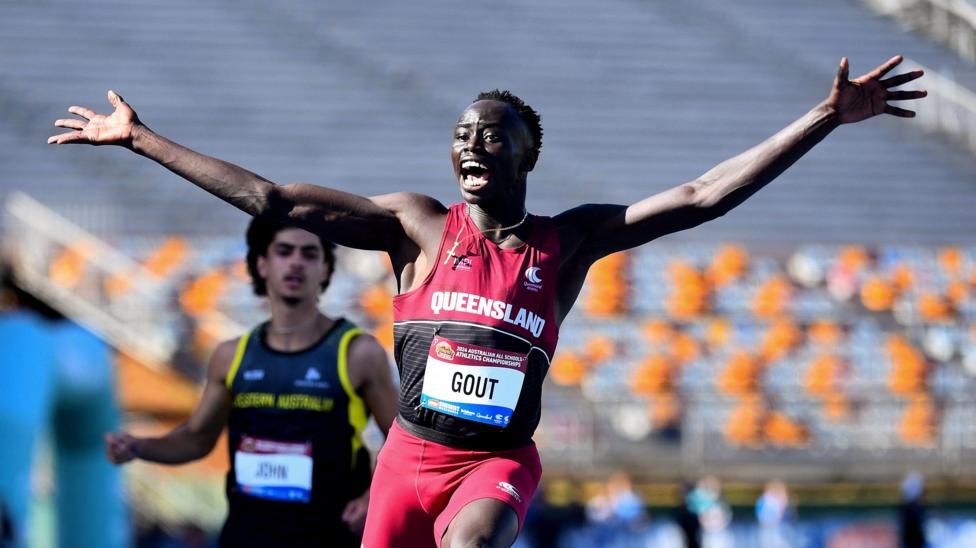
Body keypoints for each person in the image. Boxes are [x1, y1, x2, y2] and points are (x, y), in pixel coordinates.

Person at [51, 55, 925, 547]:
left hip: (494, 464)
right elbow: (274, 199)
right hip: (406, 463)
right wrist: (141, 140)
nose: (472, 143)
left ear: (524, 155)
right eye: (461, 133)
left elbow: (704, 197)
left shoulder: (568, 240)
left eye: (492, 135)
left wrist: (823, 117)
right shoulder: (414, 228)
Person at [103, 217, 398, 547]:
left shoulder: (357, 353)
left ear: (326, 269)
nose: (296, 263)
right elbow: (197, 440)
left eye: (309, 254)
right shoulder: (231, 356)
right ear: (261, 265)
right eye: (284, 252)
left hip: (327, 534)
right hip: (248, 534)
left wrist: (372, 497)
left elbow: (401, 441)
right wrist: (140, 447)